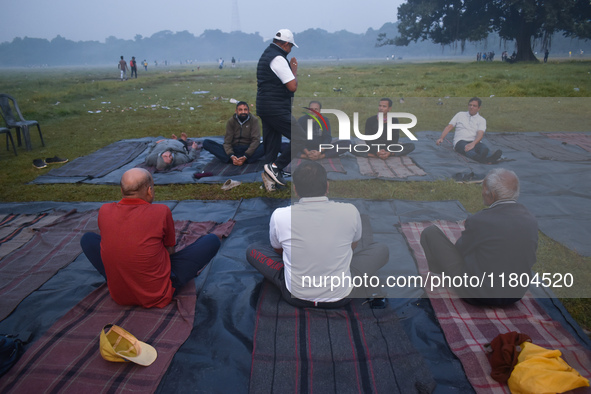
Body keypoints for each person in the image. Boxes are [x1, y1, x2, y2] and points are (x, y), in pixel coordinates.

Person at [246, 161, 389, 308]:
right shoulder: (350, 211)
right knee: (381, 250)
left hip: (295, 295)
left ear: (295, 190)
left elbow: (278, 250)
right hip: (341, 295)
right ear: (327, 186)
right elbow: (353, 246)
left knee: (253, 251)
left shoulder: (280, 215)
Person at [80, 168, 221, 308]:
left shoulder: (104, 210)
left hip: (119, 296)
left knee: (87, 239)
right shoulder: (161, 211)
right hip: (157, 295)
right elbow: (170, 251)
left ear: (122, 191)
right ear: (149, 191)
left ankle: (119, 279)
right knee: (211, 241)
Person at [420, 168, 538, 307]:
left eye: (483, 188)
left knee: (430, 233)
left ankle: (444, 278)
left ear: (492, 194)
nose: (482, 192)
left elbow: (460, 251)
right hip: (515, 294)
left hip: (477, 295)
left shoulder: (481, 220)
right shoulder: (531, 219)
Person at [256, 28, 307, 187]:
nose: (291, 49)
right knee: (300, 138)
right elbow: (292, 86)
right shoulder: (278, 58)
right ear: (285, 44)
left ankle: (269, 180)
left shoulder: (267, 54)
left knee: (272, 145)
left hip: (265, 105)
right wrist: (294, 71)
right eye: (291, 46)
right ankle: (276, 167)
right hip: (275, 107)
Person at [437, 97, 502, 164]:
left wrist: (473, 143)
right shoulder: (460, 114)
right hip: (460, 141)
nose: (471, 107)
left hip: (475, 142)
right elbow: (449, 126)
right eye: (470, 105)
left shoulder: (481, 120)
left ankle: (489, 159)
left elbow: (480, 134)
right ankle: (482, 159)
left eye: (474, 106)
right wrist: (441, 138)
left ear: (479, 108)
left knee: (483, 148)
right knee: (467, 150)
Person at [202, 101, 264, 166]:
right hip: (234, 149)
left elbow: (256, 140)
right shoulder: (231, 121)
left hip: (249, 150)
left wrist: (246, 155)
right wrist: (231, 155)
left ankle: (244, 160)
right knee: (206, 143)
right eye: (240, 110)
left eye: (245, 110)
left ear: (249, 111)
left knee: (268, 143)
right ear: (236, 111)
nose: (243, 112)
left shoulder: (254, 120)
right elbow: (227, 142)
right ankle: (233, 160)